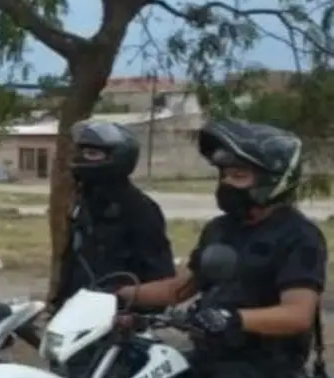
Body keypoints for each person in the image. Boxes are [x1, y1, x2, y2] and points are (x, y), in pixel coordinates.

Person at [116, 118, 326, 378]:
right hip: (210, 361)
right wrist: (119, 294)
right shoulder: (220, 229)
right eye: (224, 175)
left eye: (239, 176)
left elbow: (297, 314)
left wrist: (232, 319)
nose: (227, 183)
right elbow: (177, 289)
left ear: (272, 180)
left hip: (266, 369)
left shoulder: (298, 236)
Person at [54, 120, 175, 307]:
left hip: (118, 314)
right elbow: (72, 263)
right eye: (82, 152)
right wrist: (59, 303)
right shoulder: (83, 202)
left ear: (118, 158)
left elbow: (160, 276)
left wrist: (132, 311)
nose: (82, 159)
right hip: (77, 310)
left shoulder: (140, 209)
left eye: (92, 154)